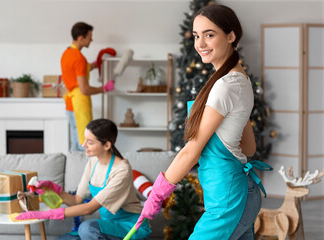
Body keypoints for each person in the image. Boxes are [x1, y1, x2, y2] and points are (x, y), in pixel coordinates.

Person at [135, 4, 272, 240]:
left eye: (210, 35)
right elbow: (249, 148)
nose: (200, 44)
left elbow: (191, 152)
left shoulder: (226, 85)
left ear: (231, 36)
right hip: (236, 193)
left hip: (229, 201)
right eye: (197, 36)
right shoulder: (240, 80)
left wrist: (157, 195)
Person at [16, 118, 152, 240]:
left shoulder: (121, 170)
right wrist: (54, 189)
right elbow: (76, 201)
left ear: (107, 145)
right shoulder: (93, 162)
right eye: (84, 139)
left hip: (130, 227)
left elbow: (89, 209)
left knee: (87, 228)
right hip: (109, 227)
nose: (83, 144)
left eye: (90, 142)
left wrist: (45, 214)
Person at [61, 22, 115, 151]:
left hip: (70, 104)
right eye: (90, 36)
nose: (91, 39)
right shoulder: (79, 58)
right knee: (84, 143)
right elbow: (84, 89)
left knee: (75, 141)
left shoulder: (67, 53)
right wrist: (104, 88)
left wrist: (94, 65)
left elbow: (77, 71)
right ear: (81, 38)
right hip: (79, 103)